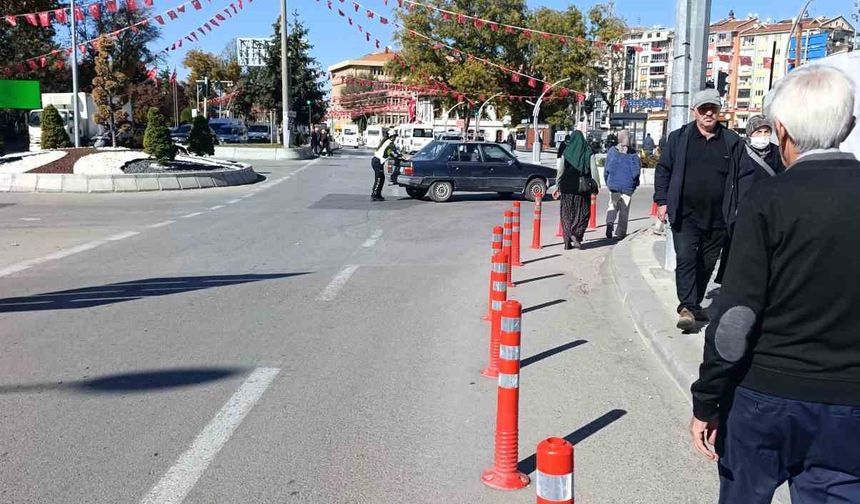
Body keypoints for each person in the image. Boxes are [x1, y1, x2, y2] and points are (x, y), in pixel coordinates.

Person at [689, 65, 859, 504]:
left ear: (781, 130)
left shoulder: (768, 199)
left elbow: (735, 320)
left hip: (766, 397)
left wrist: (707, 400)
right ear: (850, 125)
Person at [654, 88, 745, 331]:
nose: (708, 113)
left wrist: (742, 209)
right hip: (685, 213)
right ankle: (686, 306)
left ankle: (693, 306)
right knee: (685, 259)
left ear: (719, 111)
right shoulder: (678, 138)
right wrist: (662, 201)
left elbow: (743, 177)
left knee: (706, 263)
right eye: (703, 108)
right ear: (694, 111)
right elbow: (663, 170)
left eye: (712, 108)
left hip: (718, 217)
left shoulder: (732, 141)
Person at [550, 130, 593, 250]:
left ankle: (567, 241)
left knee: (566, 214)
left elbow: (560, 171)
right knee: (584, 213)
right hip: (582, 189)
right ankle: (576, 234)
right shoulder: (588, 151)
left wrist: (556, 187)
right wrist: (596, 186)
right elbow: (594, 170)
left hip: (566, 187)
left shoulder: (566, 152)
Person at [604, 129, 641, 239]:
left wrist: (608, 182)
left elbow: (607, 169)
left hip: (614, 186)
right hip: (627, 186)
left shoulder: (612, 151)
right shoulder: (633, 154)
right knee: (624, 211)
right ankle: (620, 233)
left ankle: (609, 223)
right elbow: (636, 172)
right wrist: (635, 184)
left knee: (612, 205)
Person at [370, 130, 399, 201]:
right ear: (391, 137)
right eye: (394, 136)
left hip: (376, 161)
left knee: (381, 178)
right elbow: (392, 153)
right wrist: (400, 157)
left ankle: (378, 194)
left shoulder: (385, 142)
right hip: (378, 162)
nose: (395, 138)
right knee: (379, 179)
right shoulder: (389, 144)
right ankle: (374, 195)